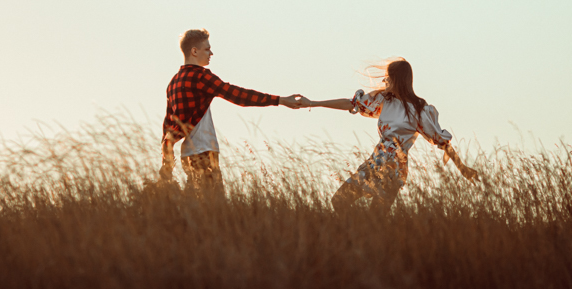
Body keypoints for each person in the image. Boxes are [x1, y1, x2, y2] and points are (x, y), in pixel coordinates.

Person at [299, 58, 478, 213]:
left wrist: (463, 168)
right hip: (375, 162)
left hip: (394, 168)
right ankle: (352, 234)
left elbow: (441, 141)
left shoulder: (418, 110)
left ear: (397, 80)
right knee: (339, 201)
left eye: (388, 78)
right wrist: (313, 103)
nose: (385, 81)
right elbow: (351, 104)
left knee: (376, 218)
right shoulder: (385, 100)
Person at [160, 29, 302, 194]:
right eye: (207, 49)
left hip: (187, 155)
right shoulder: (201, 77)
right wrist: (280, 100)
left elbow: (167, 125)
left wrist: (166, 161)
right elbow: (237, 95)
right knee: (215, 204)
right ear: (194, 51)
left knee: (196, 203)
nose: (211, 53)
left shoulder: (173, 82)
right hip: (203, 152)